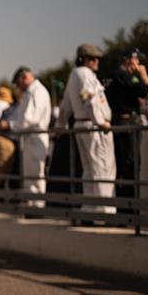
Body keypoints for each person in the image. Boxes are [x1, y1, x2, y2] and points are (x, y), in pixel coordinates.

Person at [56, 44, 115, 215]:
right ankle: (104, 211)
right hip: (93, 126)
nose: (96, 62)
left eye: (97, 58)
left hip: (81, 125)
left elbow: (66, 105)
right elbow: (88, 97)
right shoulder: (85, 74)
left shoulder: (73, 75)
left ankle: (89, 208)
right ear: (83, 60)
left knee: (89, 171)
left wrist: (60, 125)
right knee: (102, 168)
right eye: (92, 58)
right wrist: (99, 121)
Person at [105, 47, 148, 200]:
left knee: (121, 167)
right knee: (130, 167)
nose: (138, 63)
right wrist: (143, 75)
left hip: (118, 123)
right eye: (136, 59)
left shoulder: (113, 75)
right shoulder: (124, 75)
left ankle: (124, 208)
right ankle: (129, 209)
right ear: (128, 60)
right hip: (126, 125)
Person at [2, 66, 51, 207]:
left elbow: (30, 119)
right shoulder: (31, 92)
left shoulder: (37, 92)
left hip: (35, 136)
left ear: (24, 78)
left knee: (35, 173)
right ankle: (32, 202)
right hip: (30, 137)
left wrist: (11, 125)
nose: (19, 87)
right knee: (30, 173)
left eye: (18, 84)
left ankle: (37, 204)